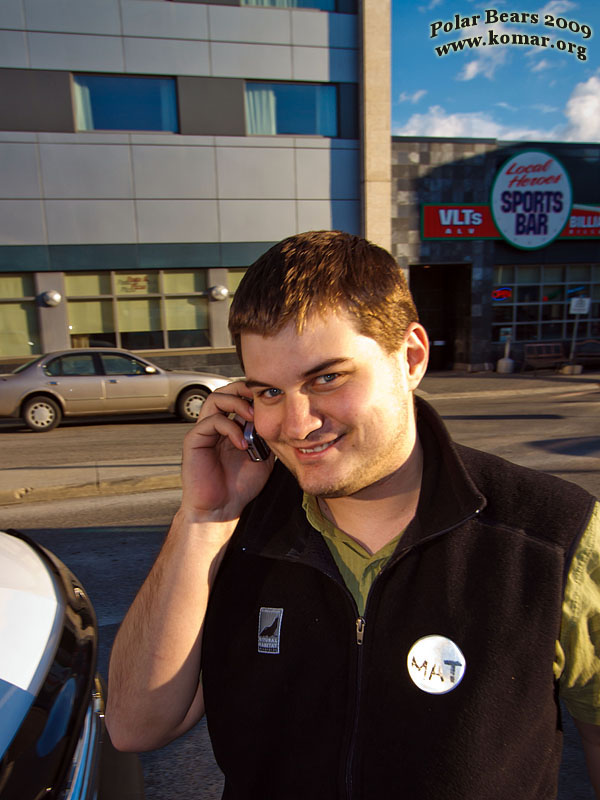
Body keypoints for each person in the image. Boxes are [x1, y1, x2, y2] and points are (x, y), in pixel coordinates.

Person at [106, 230, 600, 799]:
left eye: (326, 378)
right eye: (268, 392)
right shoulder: (235, 533)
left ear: (411, 356)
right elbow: (135, 727)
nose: (295, 425)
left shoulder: (552, 535)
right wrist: (202, 519)